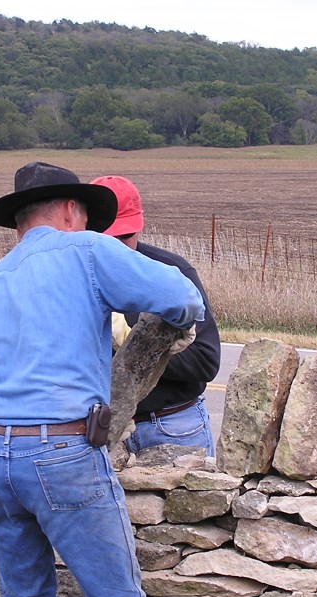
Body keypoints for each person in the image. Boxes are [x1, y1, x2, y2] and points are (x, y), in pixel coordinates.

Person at [0, 161, 203, 597]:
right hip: (62, 450)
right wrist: (158, 331)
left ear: (19, 220)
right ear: (69, 210)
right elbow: (181, 296)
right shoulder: (85, 252)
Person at [90, 175, 221, 457]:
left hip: (171, 425)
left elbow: (205, 361)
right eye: (107, 239)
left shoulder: (171, 276)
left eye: (125, 236)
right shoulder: (73, 280)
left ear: (140, 224)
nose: (119, 248)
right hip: (97, 429)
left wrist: (136, 347)